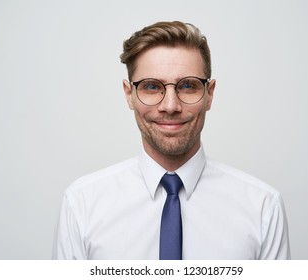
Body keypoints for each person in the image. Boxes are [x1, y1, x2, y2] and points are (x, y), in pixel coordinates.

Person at [52, 21, 290, 260]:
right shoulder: (82, 204)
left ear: (209, 94)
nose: (170, 106)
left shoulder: (262, 207)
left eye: (188, 86)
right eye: (151, 87)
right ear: (129, 95)